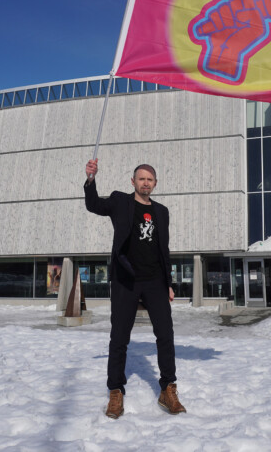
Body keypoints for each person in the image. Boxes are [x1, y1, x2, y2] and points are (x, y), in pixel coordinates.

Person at [84, 159, 186, 419]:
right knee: (119, 338)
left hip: (154, 282)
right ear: (133, 182)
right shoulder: (120, 202)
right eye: (141, 179)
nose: (145, 183)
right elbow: (93, 204)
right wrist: (91, 179)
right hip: (125, 280)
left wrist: (169, 284)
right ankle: (116, 391)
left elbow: (165, 250)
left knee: (165, 335)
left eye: (150, 180)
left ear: (155, 184)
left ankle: (168, 388)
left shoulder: (162, 212)